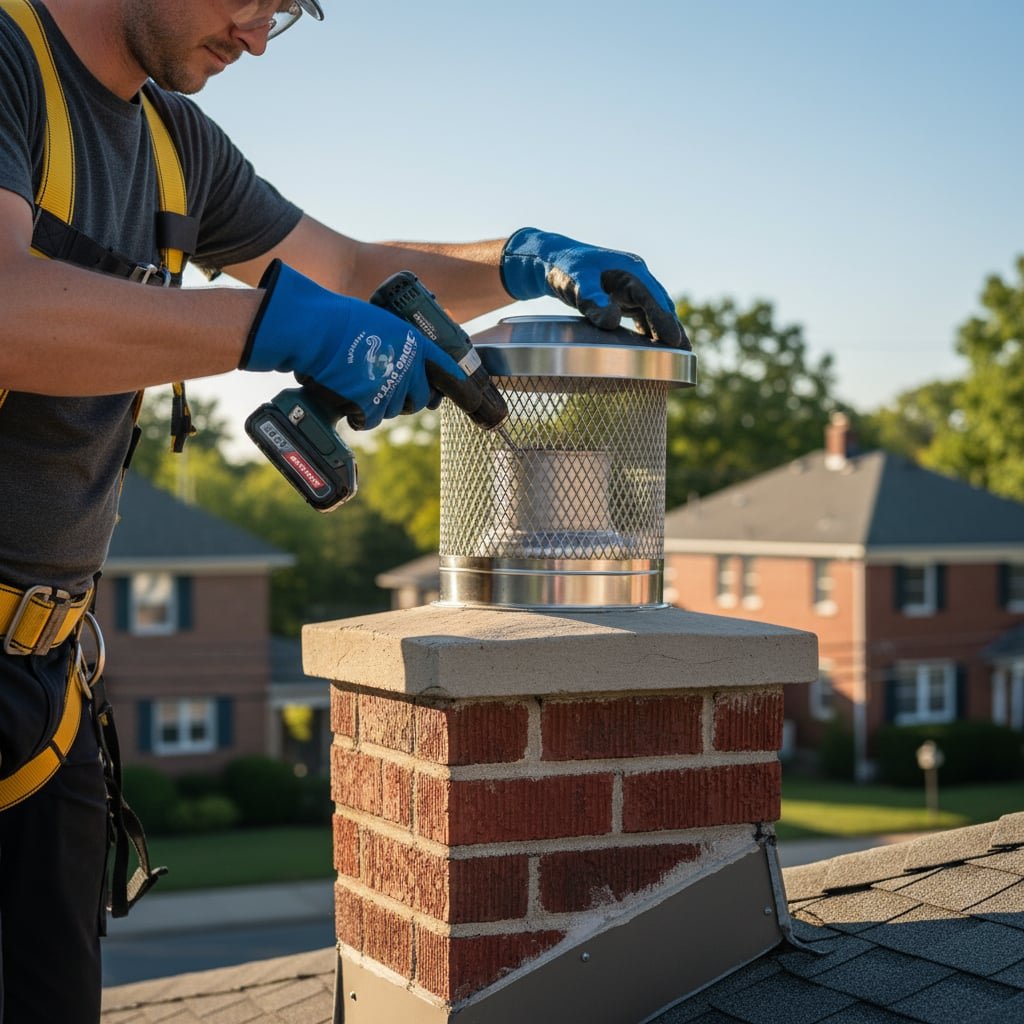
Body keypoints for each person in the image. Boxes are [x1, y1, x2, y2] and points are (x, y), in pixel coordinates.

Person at [0, 1, 689, 1021]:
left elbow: (358, 276)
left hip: (44, 690)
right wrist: (269, 327)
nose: (258, 36)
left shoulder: (172, 142)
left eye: (287, 10)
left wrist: (516, 259)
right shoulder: (11, 63)